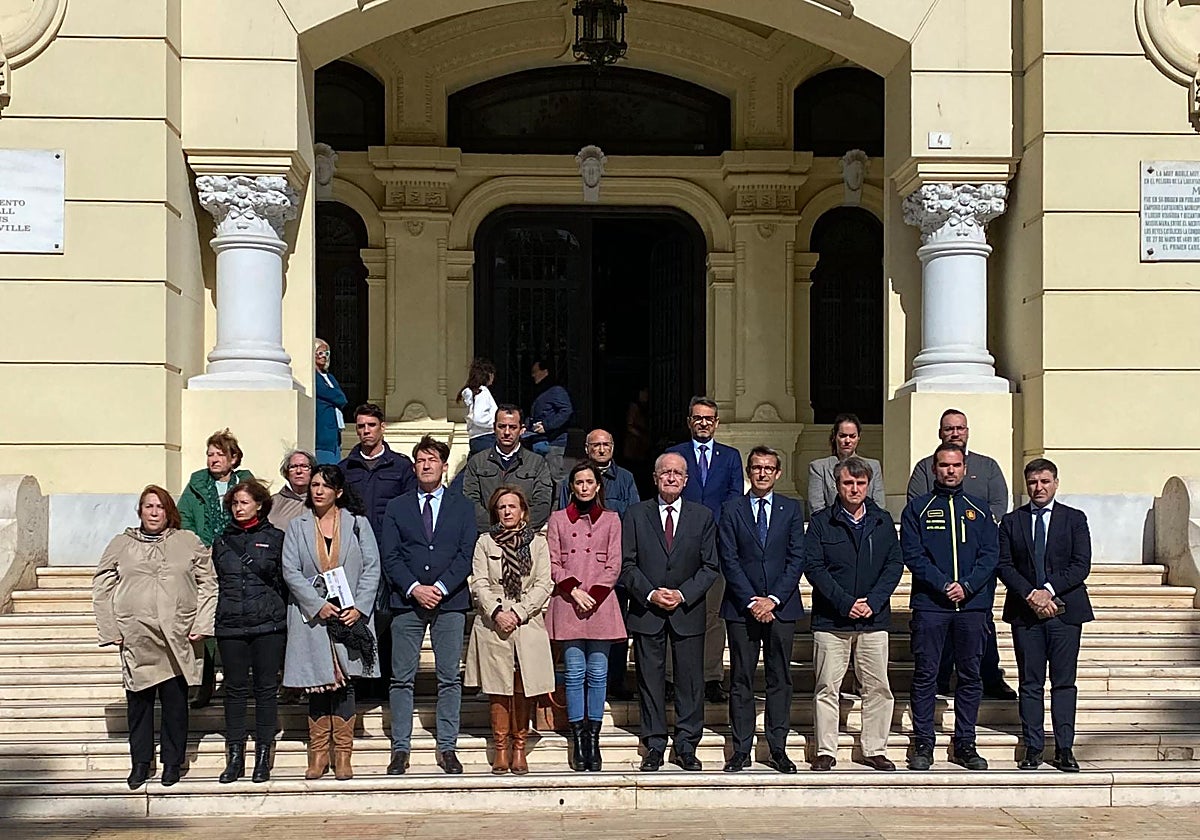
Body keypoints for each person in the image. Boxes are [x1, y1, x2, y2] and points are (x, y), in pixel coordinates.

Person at [92, 486, 216, 789]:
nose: (154, 512)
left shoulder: (187, 541)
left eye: (160, 506)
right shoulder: (122, 544)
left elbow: (208, 583)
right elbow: (102, 587)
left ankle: (172, 762)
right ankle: (140, 762)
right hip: (137, 637)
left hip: (177, 636)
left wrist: (202, 622)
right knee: (139, 705)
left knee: (175, 704)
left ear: (169, 511)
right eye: (148, 506)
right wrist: (111, 629)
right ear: (140, 511)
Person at [378, 435, 477, 776]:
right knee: (401, 678)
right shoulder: (398, 506)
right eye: (420, 460)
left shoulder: (463, 507)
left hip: (450, 601)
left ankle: (447, 746)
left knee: (449, 677)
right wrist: (414, 588)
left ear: (444, 466)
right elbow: (390, 554)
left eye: (432, 460)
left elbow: (466, 552)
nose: (426, 465)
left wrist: (440, 587)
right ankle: (400, 748)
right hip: (407, 601)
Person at [901, 442, 999, 771]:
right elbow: (913, 555)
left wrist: (967, 586)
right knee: (926, 674)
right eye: (944, 465)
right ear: (934, 468)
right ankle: (923, 742)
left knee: (970, 675)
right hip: (932, 605)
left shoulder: (980, 509)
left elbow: (990, 554)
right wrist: (943, 585)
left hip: (972, 606)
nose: (950, 471)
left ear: (965, 468)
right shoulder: (917, 509)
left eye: (956, 465)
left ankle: (965, 742)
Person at [906, 408, 1016, 700]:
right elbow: (918, 506)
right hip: (937, 573)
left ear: (967, 432)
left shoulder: (988, 466)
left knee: (982, 628)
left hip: (975, 569)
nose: (955, 433)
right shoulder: (925, 467)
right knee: (937, 637)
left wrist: (979, 535)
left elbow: (998, 505)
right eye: (949, 428)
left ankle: (991, 677)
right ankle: (941, 679)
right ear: (940, 433)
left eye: (960, 428)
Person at [803, 456, 904, 772]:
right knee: (827, 688)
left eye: (861, 483)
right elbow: (814, 567)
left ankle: (874, 749)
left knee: (878, 688)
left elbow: (894, 564)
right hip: (831, 621)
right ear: (837, 485)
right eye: (848, 482)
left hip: (873, 619)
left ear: (869, 485)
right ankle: (825, 750)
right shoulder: (821, 522)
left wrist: (874, 600)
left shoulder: (882, 521)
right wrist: (845, 602)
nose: (855, 488)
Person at [281, 465, 381, 781]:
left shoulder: (358, 524)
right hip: (312, 617)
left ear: (338, 492)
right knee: (318, 686)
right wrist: (316, 604)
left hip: (348, 615)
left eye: (325, 485)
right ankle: (318, 754)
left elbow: (372, 567)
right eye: (314, 485)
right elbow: (290, 570)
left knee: (345, 684)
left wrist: (360, 607)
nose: (318, 490)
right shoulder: (297, 526)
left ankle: (343, 755)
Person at [621, 452, 719, 772]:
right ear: (655, 478)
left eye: (678, 473)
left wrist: (682, 593)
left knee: (690, 681)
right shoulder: (636, 514)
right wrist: (650, 593)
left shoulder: (702, 516)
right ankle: (654, 744)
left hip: (687, 610)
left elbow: (710, 566)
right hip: (647, 611)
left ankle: (687, 744)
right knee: (650, 681)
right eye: (665, 472)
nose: (671, 477)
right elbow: (627, 564)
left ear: (686, 480)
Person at [998, 458, 1093, 772]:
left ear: (1055, 483)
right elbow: (1005, 565)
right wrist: (1031, 595)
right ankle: (1033, 748)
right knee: (1030, 683)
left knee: (1064, 683)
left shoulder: (1074, 519)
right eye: (1033, 482)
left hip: (1065, 615)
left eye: (1045, 481)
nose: (1039, 488)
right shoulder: (1012, 522)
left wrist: (1048, 591)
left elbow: (1081, 565)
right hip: (1026, 615)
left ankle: (1064, 749)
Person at [717, 446, 805, 774]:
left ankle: (777, 748)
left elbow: (797, 558)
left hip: (782, 608)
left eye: (769, 468)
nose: (762, 473)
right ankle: (741, 749)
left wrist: (774, 599)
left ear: (778, 473)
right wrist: (753, 600)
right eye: (756, 467)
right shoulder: (731, 509)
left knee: (779, 678)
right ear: (748, 472)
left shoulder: (791, 509)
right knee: (741, 678)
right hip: (742, 608)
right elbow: (728, 558)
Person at [466, 486, 556, 775]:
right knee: (497, 687)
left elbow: (544, 583)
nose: (507, 511)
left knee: (521, 684)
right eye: (501, 507)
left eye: (512, 506)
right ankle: (501, 748)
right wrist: (497, 612)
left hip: (526, 622)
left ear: (523, 512)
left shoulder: (538, 544)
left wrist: (518, 613)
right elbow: (479, 582)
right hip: (494, 623)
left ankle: (519, 746)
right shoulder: (485, 542)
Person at [547, 462, 626, 772]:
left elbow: (615, 564)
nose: (584, 487)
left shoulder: (611, 519)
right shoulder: (557, 519)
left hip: (600, 603)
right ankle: (578, 739)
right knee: (574, 672)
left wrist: (593, 594)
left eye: (589, 482)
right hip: (569, 602)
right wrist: (574, 590)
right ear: (572, 486)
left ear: (597, 486)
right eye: (578, 482)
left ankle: (594, 738)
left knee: (598, 673)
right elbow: (553, 562)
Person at [555, 428, 641, 700]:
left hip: (611, 570)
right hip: (574, 578)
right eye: (596, 445)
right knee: (576, 655)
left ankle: (616, 681)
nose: (601, 449)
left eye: (606, 444)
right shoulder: (568, 483)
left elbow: (634, 518)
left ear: (613, 447)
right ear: (587, 449)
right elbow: (561, 520)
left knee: (615, 628)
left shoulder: (625, 478)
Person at [666, 396, 742, 704]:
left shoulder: (730, 457)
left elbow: (734, 498)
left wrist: (711, 530)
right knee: (674, 610)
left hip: (718, 545)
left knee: (713, 614)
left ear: (716, 422)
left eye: (709, 418)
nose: (703, 423)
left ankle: (712, 677)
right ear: (689, 422)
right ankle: (671, 677)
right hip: (679, 545)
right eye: (698, 418)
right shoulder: (675, 455)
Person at [211, 479, 287, 784]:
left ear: (259, 504)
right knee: (235, 691)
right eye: (234, 503)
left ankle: (263, 756)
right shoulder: (221, 542)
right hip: (230, 625)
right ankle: (235, 757)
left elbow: (285, 581)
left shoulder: (276, 538)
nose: (238, 508)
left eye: (244, 502)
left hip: (268, 624)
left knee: (266, 690)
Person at [339, 402, 416, 698]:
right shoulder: (346, 468)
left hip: (390, 553)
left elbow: (409, 510)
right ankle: (359, 679)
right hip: (354, 556)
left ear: (382, 427)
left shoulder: (401, 466)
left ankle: (384, 682)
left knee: (387, 616)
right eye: (360, 426)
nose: (366, 431)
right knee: (357, 616)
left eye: (371, 425)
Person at [177, 428, 252, 709]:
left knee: (237, 621)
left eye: (220, 454)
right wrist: (198, 545)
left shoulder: (245, 483)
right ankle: (202, 684)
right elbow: (183, 517)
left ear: (234, 458)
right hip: (204, 559)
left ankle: (239, 682)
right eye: (210, 454)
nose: (214, 459)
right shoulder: (197, 484)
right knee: (204, 621)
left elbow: (258, 512)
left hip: (238, 558)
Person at [462, 404, 554, 533]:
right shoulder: (477, 462)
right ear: (494, 428)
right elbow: (470, 501)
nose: (506, 432)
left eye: (512, 427)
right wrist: (495, 530)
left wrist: (518, 530)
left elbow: (542, 503)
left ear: (522, 430)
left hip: (524, 536)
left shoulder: (537, 463)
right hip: (487, 537)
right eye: (501, 426)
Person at [806, 413, 885, 516]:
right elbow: (816, 508)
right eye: (843, 436)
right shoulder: (819, 468)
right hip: (830, 523)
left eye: (852, 436)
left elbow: (879, 506)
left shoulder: (873, 466)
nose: (847, 441)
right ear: (835, 436)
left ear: (858, 438)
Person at [526, 358, 574, 482]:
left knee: (555, 476)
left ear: (545, 372)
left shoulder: (556, 390)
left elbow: (566, 411)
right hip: (539, 440)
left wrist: (547, 426)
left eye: (535, 372)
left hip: (553, 441)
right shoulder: (541, 391)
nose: (533, 375)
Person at [314, 338, 348, 465]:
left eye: (326, 353)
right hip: (323, 434)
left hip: (334, 434)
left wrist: (331, 399)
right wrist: (332, 398)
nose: (324, 356)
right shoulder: (313, 377)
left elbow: (341, 398)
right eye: (320, 353)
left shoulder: (330, 377)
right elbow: (332, 395)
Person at [458, 357, 499, 455]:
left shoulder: (471, 393)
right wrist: (497, 424)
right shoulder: (482, 392)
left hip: (475, 438)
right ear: (488, 375)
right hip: (486, 437)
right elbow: (479, 418)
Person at [270, 449, 317, 529]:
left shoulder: (321, 500)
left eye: (304, 466)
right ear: (287, 473)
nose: (298, 471)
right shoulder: (273, 502)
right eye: (293, 467)